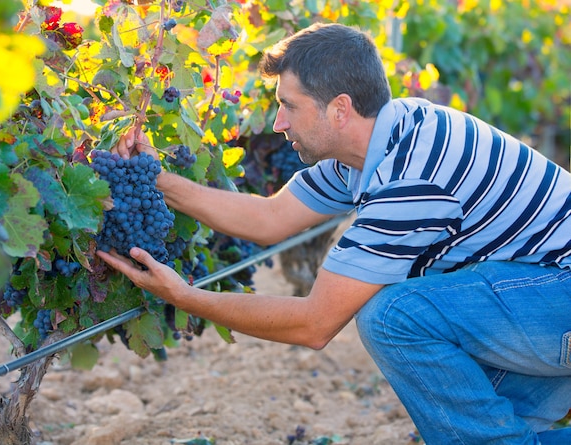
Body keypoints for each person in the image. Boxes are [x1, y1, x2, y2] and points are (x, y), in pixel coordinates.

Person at [96, 22, 571, 444]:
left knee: (393, 316)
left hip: (556, 295)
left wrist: (184, 296)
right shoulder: (380, 140)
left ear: (339, 109)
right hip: (542, 291)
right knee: (498, 423)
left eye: (289, 106)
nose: (278, 123)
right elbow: (269, 218)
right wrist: (153, 176)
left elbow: (314, 325)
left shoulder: (410, 177)